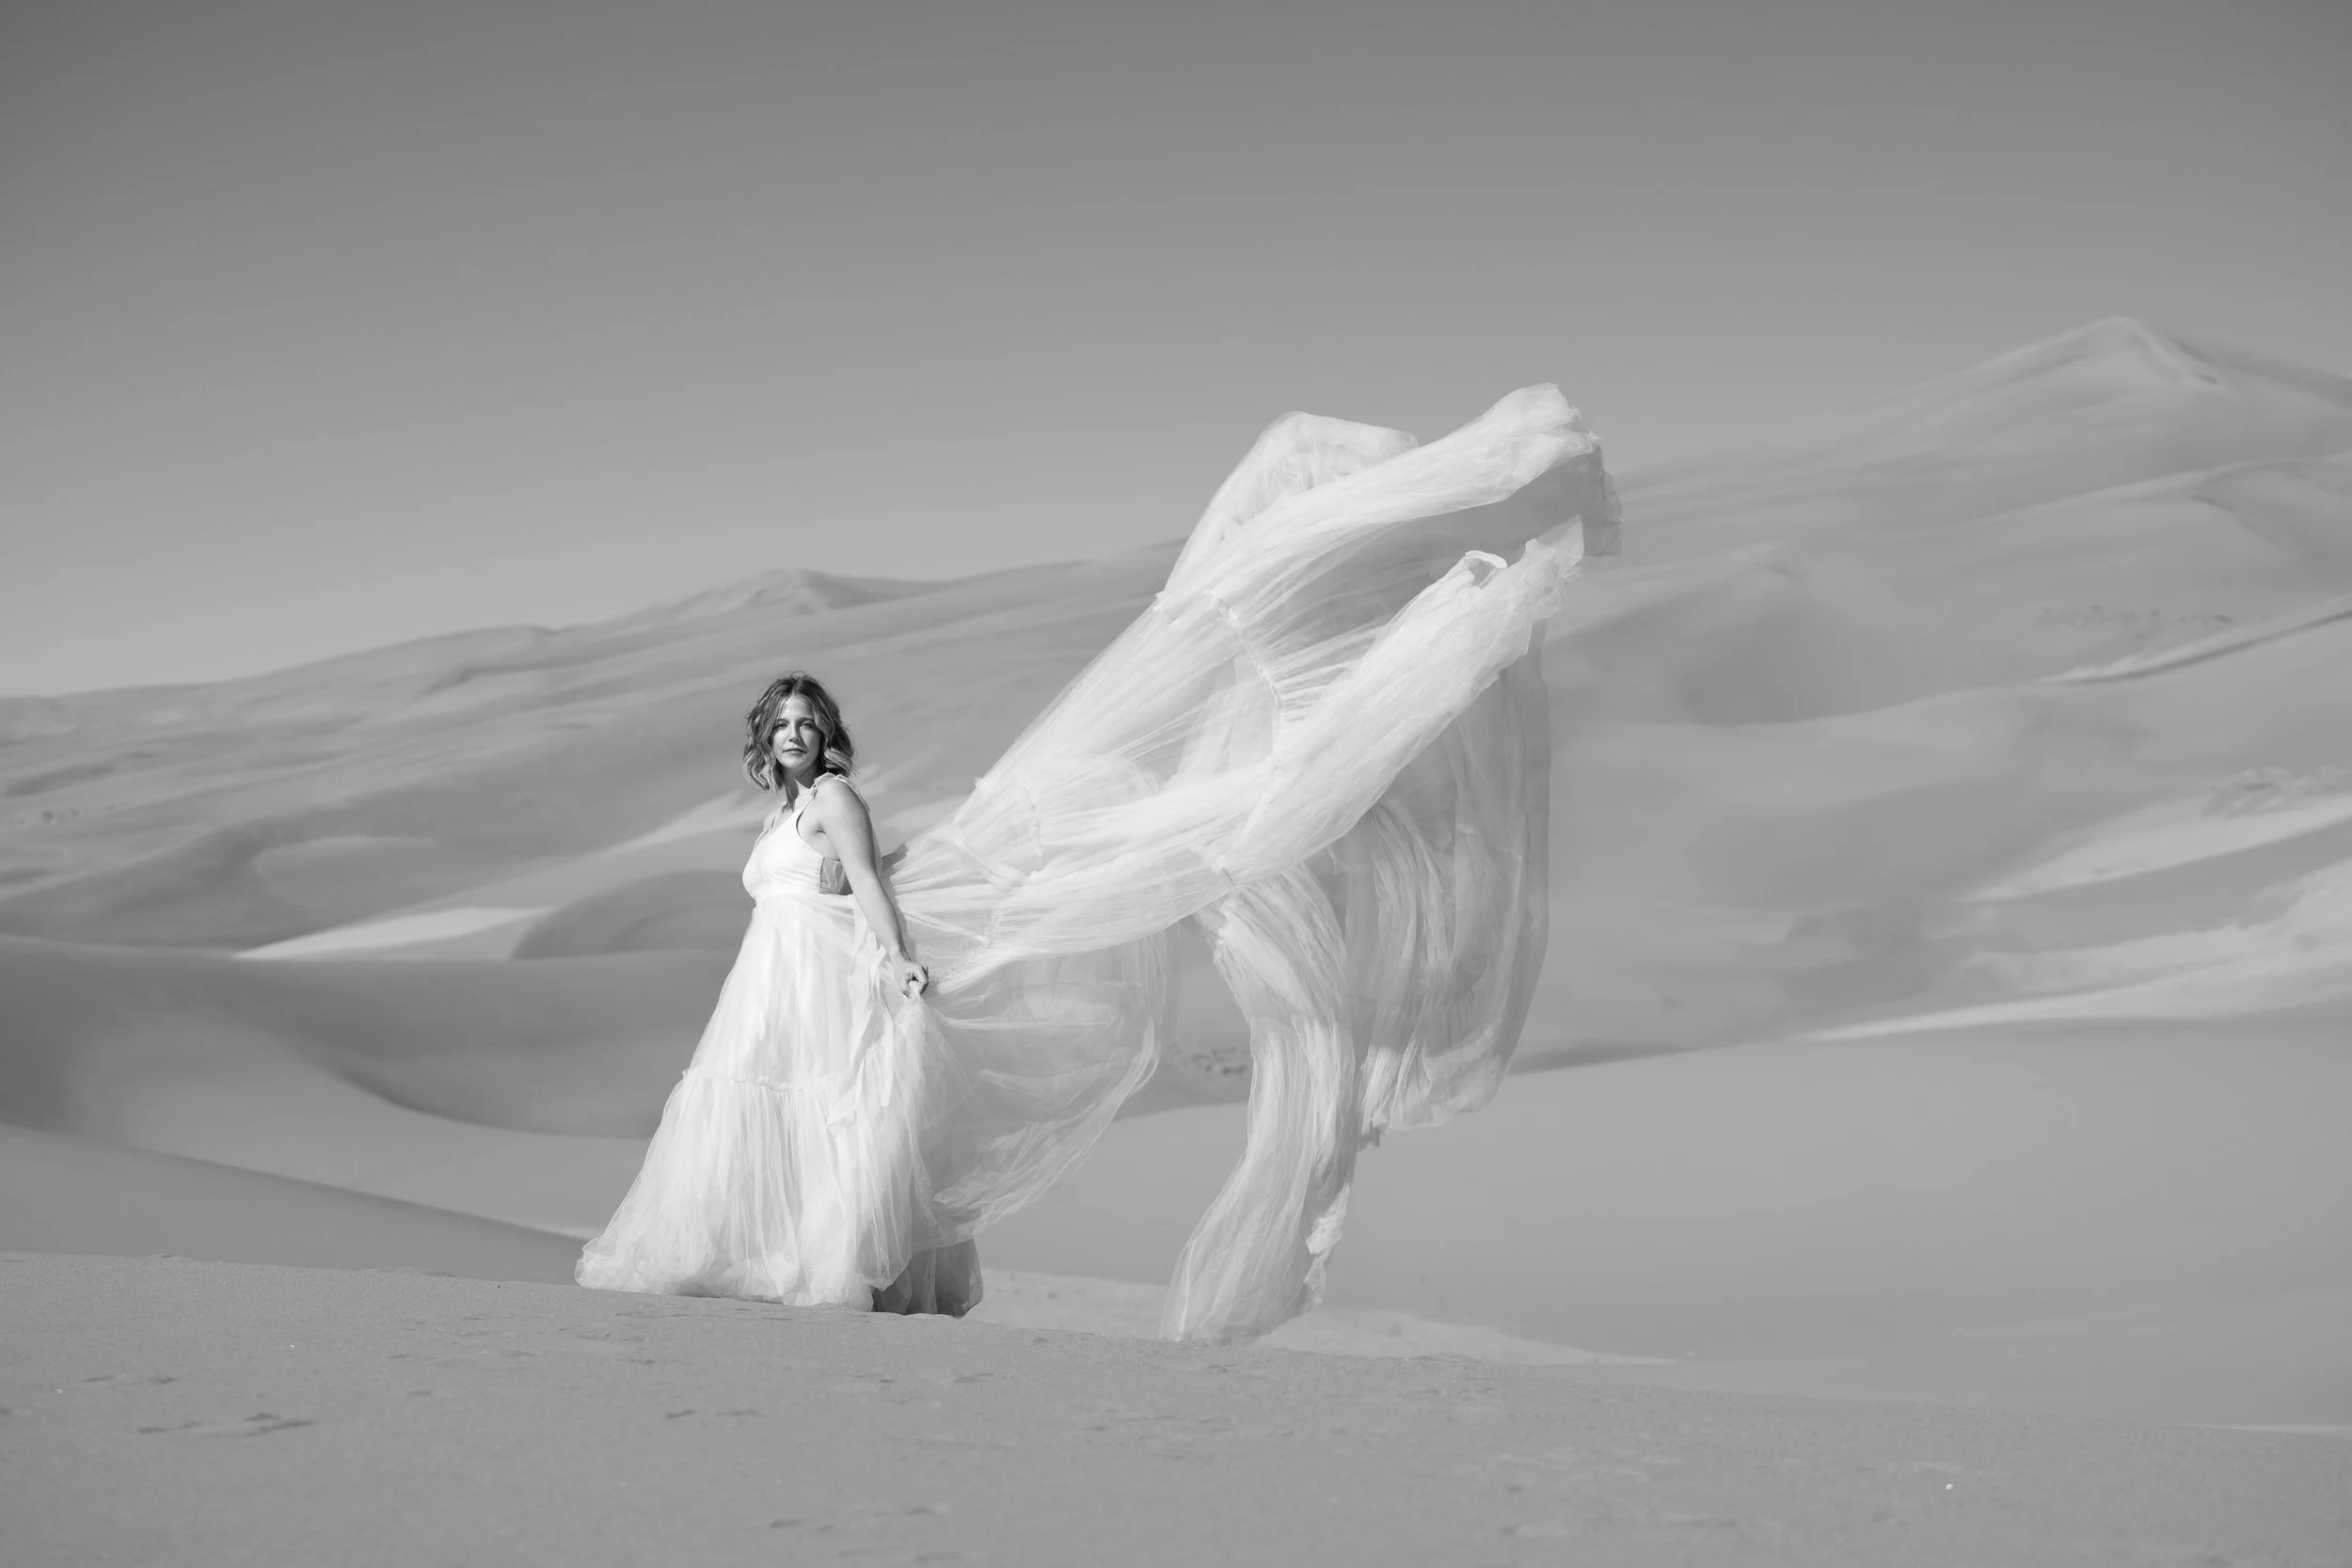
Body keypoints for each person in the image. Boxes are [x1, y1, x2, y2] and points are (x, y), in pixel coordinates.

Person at [578, 384, 1620, 1339]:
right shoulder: (786, 811)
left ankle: (828, 1269)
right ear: (768, 737)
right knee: (769, 1111)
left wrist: (896, 960)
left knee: (827, 1112)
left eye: (812, 720)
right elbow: (837, 877)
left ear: (828, 733)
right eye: (786, 722)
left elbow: (871, 890)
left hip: (825, 982)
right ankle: (761, 1257)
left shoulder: (835, 800)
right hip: (773, 986)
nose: (800, 732)